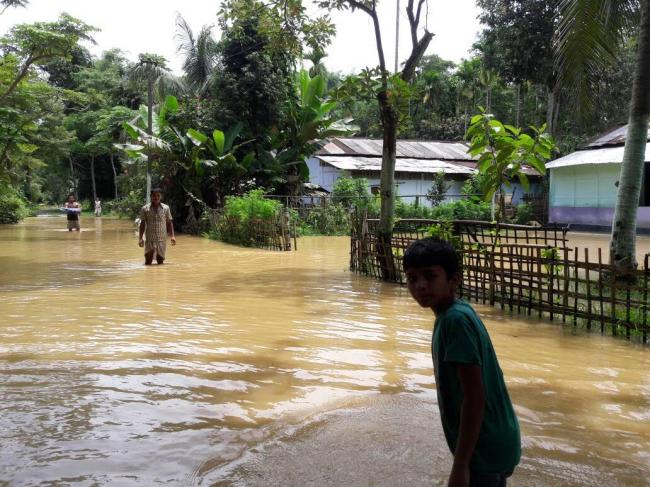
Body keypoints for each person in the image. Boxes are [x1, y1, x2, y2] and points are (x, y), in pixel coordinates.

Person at [403, 237, 520, 487]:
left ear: (454, 280)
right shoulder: (456, 313)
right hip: (493, 440)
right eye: (412, 278)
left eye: (430, 276)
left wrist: (460, 465)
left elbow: (475, 398)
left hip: (484, 449)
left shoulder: (455, 321)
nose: (420, 286)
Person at [138, 188, 176, 265]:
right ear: (151, 196)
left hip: (162, 239)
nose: (156, 197)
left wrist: (172, 236)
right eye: (154, 196)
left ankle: (160, 276)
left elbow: (169, 222)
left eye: (158, 195)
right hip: (150, 239)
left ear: (161, 197)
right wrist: (140, 238)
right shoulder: (145, 209)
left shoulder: (166, 208)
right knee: (148, 262)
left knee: (160, 261)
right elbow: (142, 224)